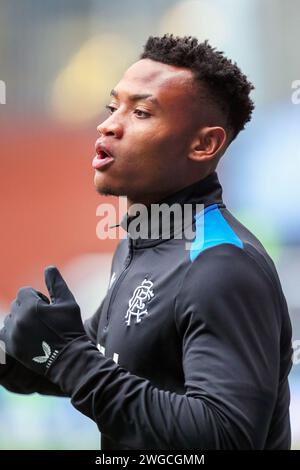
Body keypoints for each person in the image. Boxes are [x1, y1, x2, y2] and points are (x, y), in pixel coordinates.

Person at [0, 34, 293, 450]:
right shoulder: (142, 247)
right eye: (111, 106)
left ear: (203, 144)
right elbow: (110, 369)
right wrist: (24, 352)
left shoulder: (221, 264)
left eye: (140, 112)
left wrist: (67, 356)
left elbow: (225, 435)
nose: (108, 124)